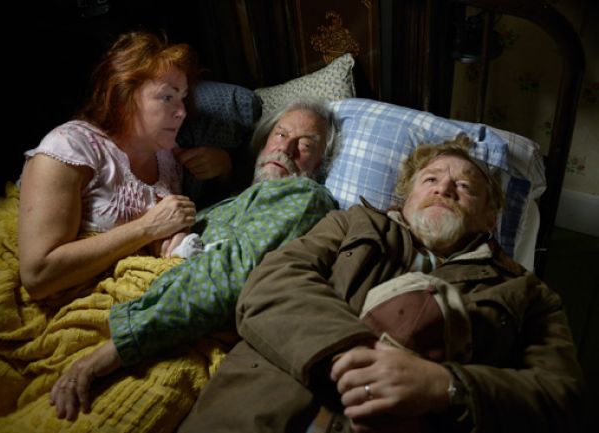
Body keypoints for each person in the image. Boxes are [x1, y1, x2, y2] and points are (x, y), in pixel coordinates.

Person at [177, 135, 587, 433]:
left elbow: (562, 398)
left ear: (490, 219)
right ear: (405, 198)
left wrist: (444, 385)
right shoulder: (349, 223)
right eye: (430, 179)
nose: (444, 188)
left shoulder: (526, 292)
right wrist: (353, 353)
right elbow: (270, 283)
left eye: (465, 187)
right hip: (255, 413)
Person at [49, 97, 341, 420]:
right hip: (130, 299)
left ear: (321, 164)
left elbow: (228, 274)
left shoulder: (306, 196)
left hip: (160, 330)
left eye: (306, 145)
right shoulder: (233, 197)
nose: (285, 149)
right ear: (263, 144)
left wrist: (115, 348)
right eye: (281, 134)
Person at [17, 30, 234, 301]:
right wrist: (145, 228)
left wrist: (224, 165)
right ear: (123, 97)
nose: (182, 112)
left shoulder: (169, 159)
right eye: (168, 97)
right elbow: (37, 276)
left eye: (182, 97)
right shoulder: (69, 147)